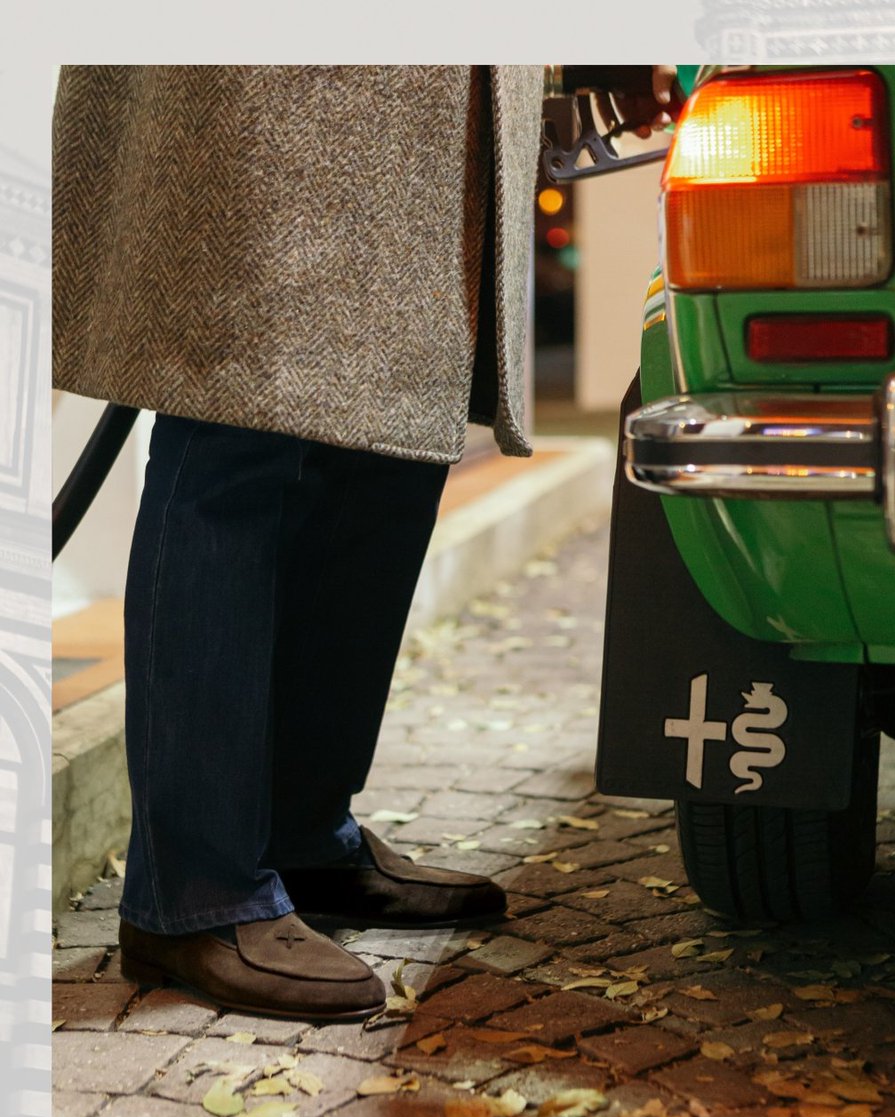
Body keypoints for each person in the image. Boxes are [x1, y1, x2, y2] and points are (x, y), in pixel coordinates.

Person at [53, 65, 677, 1021]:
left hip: (432, 89)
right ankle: (194, 892)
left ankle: (302, 837)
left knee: (396, 435)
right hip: (273, 78)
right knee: (240, 420)